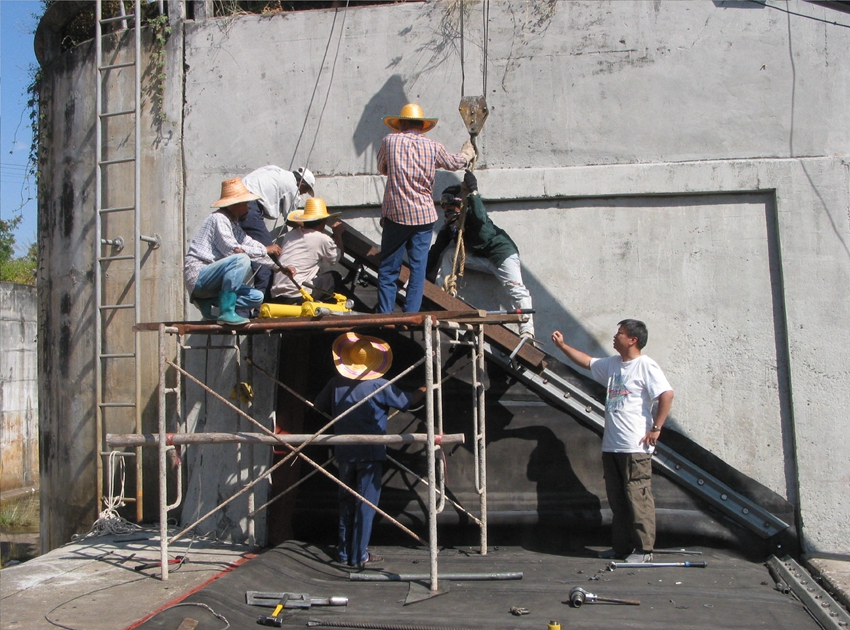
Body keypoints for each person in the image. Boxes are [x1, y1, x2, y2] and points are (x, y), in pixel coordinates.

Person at [551, 319, 674, 563]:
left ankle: (643, 550)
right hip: (612, 445)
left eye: (620, 334)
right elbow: (587, 362)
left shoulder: (645, 365)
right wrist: (563, 346)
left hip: (634, 446)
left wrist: (656, 428)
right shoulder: (613, 365)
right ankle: (622, 548)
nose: (615, 337)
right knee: (618, 500)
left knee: (637, 496)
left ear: (633, 339)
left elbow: (667, 394)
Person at [314, 332, 426, 568]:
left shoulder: (336, 383)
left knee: (346, 501)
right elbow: (407, 402)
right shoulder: (378, 384)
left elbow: (319, 406)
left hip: (343, 451)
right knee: (366, 504)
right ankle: (359, 555)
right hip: (370, 453)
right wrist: (424, 391)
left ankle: (345, 553)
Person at [375, 103, 476, 313]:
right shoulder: (433, 146)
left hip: (397, 214)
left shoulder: (389, 141)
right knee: (418, 268)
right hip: (423, 216)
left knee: (388, 269)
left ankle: (385, 313)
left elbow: (382, 168)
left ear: (401, 123)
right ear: (422, 126)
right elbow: (454, 163)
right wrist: (467, 154)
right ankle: (411, 313)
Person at [427, 171, 535, 338]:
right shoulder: (452, 227)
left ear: (461, 205)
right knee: (449, 254)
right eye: (445, 208)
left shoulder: (474, 218)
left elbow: (479, 215)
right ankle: (443, 295)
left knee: (516, 290)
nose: (447, 211)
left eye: (450, 207)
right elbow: (437, 250)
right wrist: (425, 276)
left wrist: (473, 192)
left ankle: (527, 332)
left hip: (502, 257)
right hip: (482, 260)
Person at [183, 178, 282, 326]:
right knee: (240, 259)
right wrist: (266, 249)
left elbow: (248, 243)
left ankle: (207, 300)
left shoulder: (233, 224)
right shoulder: (218, 219)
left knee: (256, 297)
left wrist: (278, 267)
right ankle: (226, 312)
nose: (248, 209)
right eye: (245, 205)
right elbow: (234, 250)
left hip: (212, 284)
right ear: (234, 205)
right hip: (199, 276)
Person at [239, 165, 316, 299]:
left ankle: (246, 303)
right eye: (305, 189)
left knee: (247, 252)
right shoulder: (292, 186)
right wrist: (311, 225)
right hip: (249, 207)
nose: (303, 193)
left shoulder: (276, 171)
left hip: (238, 202)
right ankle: (260, 305)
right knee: (267, 257)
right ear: (301, 183)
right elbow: (290, 219)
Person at [268, 197, 346, 304]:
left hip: (277, 294)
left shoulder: (290, 235)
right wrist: (338, 235)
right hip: (298, 294)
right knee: (334, 277)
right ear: (323, 222)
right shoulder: (322, 238)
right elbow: (337, 257)